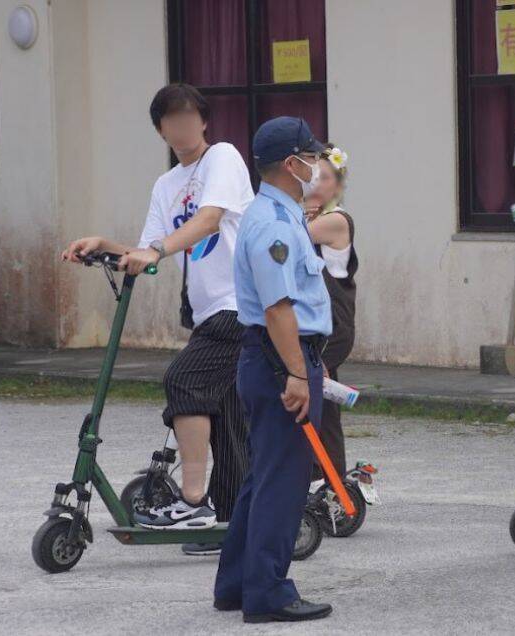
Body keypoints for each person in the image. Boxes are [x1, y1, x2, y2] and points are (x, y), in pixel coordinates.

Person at [61, 84, 253, 553]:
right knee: (227, 417)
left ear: (204, 121)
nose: (182, 125)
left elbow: (208, 220)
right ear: (161, 129)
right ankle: (229, 521)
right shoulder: (166, 186)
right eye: (172, 119)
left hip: (242, 304)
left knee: (184, 381)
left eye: (190, 116)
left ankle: (192, 500)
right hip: (211, 313)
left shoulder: (222, 158)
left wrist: (158, 248)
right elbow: (146, 253)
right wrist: (103, 244)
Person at [213, 116, 333, 622]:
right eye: (312, 155)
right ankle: (269, 593)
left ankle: (238, 583)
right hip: (281, 358)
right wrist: (299, 376)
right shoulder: (274, 224)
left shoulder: (276, 214)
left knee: (265, 475)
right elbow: (278, 308)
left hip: (273, 358)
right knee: (284, 481)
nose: (319, 164)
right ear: (292, 164)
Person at [303, 144, 356, 483]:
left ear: (337, 186)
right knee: (322, 406)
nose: (316, 183)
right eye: (312, 177)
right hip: (319, 324)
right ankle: (325, 480)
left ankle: (329, 482)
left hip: (333, 326)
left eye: (324, 178)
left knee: (321, 404)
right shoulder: (317, 218)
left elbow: (289, 238)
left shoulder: (336, 221)